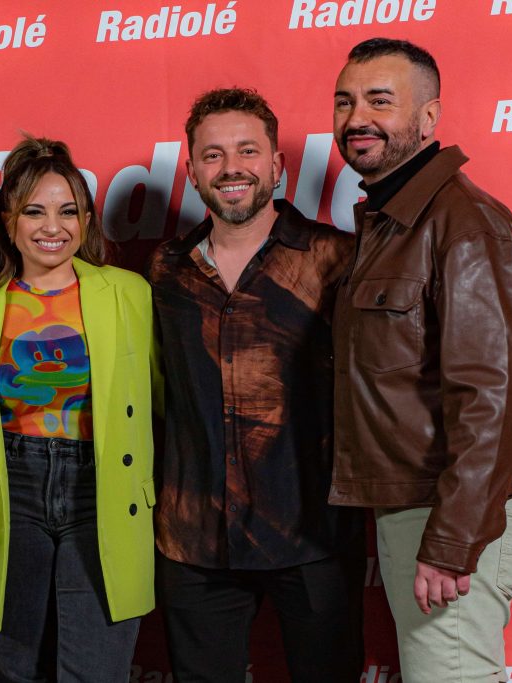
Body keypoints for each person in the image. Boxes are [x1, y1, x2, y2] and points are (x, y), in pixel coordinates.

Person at [329, 38, 512, 683]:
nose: (357, 118)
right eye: (345, 102)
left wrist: (453, 539)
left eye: (380, 101)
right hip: (426, 501)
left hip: (455, 509)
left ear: (429, 117)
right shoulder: (393, 220)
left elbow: (492, 396)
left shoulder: (464, 224)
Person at [147, 88, 365, 682]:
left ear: (277, 163)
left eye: (247, 150)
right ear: (192, 171)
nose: (231, 167)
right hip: (195, 539)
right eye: (213, 155)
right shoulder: (166, 268)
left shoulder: (336, 258)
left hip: (313, 532)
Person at [0, 136, 157, 682]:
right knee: (18, 668)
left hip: (102, 485)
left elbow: (160, 399)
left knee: (97, 670)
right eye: (34, 211)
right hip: (9, 488)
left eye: (68, 211)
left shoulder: (129, 294)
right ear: (7, 220)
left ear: (86, 221)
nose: (53, 226)